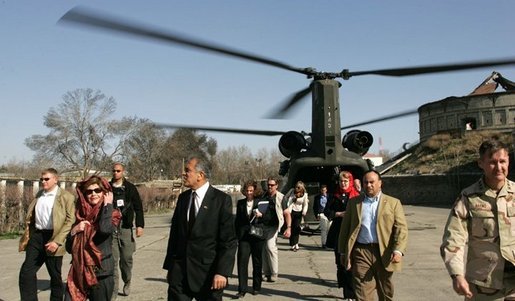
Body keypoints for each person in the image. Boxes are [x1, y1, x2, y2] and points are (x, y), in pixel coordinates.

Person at [441, 138, 515, 300]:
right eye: (492, 162)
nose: (499, 167)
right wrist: (457, 275)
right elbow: (454, 239)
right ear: (481, 163)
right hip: (483, 282)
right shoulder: (469, 197)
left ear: (508, 161)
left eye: (503, 161)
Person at [163, 156, 237, 300]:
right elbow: (175, 234)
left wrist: (222, 272)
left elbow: (228, 240)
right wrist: (170, 267)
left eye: (187, 170)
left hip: (208, 275)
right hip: (180, 274)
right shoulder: (183, 198)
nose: (184, 174)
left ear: (200, 175)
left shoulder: (221, 200)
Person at [338, 170, 408, 301]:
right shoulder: (354, 203)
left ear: (380, 183)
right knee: (362, 291)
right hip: (361, 251)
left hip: (384, 252)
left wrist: (398, 250)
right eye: (366, 182)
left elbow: (401, 229)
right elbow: (345, 229)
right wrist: (343, 252)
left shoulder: (393, 203)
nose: (369, 185)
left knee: (385, 291)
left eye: (372, 182)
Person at [19, 168, 76, 301]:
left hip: (54, 237)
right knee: (26, 272)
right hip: (37, 237)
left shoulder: (66, 197)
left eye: (47, 179)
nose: (43, 181)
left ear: (56, 179)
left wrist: (57, 241)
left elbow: (70, 220)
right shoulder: (39, 194)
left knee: (55, 277)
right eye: (42, 179)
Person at [65, 175, 121, 301]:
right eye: (89, 192)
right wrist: (74, 231)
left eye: (97, 190)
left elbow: (105, 229)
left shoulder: (113, 213)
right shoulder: (80, 215)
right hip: (79, 272)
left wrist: (108, 205)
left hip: (102, 272)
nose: (93, 194)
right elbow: (69, 248)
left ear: (104, 193)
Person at [110, 162, 145, 299]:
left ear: (123, 171)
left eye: (118, 171)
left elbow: (138, 207)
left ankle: (127, 280)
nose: (116, 173)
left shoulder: (130, 188)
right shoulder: (107, 188)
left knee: (126, 259)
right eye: (113, 171)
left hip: (125, 227)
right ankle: (113, 290)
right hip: (111, 229)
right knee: (112, 261)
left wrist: (140, 225)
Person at [325, 171, 360, 300]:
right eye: (341, 181)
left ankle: (350, 292)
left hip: (353, 231)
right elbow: (327, 211)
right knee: (341, 262)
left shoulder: (356, 196)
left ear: (350, 182)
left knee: (352, 263)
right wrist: (338, 214)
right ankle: (345, 287)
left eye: (346, 181)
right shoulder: (335, 196)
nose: (343, 184)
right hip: (338, 231)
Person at [234, 180, 266, 298]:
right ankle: (242, 289)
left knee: (257, 262)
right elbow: (237, 221)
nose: (249, 193)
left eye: (251, 191)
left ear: (255, 191)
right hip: (244, 237)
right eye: (247, 191)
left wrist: (261, 215)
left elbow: (268, 217)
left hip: (257, 235)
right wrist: (236, 236)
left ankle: (256, 287)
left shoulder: (261, 202)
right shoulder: (240, 203)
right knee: (242, 262)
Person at [261, 176, 291, 282]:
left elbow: (287, 213)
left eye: (272, 185)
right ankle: (266, 272)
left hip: (274, 226)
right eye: (268, 185)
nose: (270, 187)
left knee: (270, 247)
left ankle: (274, 273)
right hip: (263, 226)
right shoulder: (263, 196)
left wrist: (288, 228)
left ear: (276, 186)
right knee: (264, 249)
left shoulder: (281, 197)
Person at [284, 181, 309, 251]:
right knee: (291, 228)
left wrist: (304, 211)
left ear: (302, 188)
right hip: (292, 211)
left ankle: (296, 243)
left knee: (297, 228)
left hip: (299, 212)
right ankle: (292, 244)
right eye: (296, 187)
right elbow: (289, 201)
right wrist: (293, 199)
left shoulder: (305, 194)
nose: (297, 189)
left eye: (299, 187)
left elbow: (305, 204)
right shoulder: (292, 192)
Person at [313, 184, 332, 248]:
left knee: (329, 229)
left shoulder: (330, 197)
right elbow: (315, 207)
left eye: (324, 190)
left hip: (329, 214)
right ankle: (324, 243)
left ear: (326, 190)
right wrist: (317, 215)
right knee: (324, 229)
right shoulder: (317, 197)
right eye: (322, 190)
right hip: (322, 213)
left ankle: (329, 243)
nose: (323, 191)